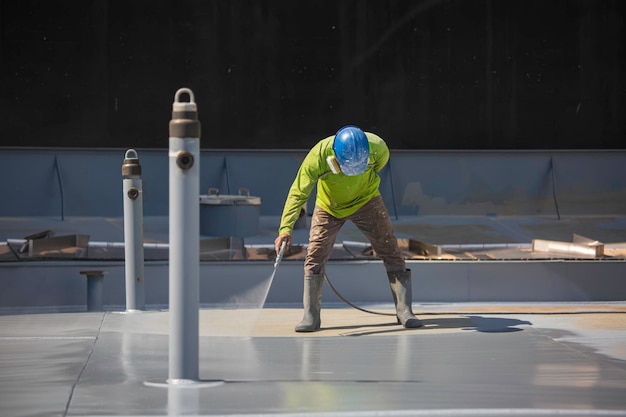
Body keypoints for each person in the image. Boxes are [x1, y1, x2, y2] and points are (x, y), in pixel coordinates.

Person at [274, 125, 423, 332]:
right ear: (334, 158)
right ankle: (311, 316)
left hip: (367, 200)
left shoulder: (378, 147)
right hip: (329, 207)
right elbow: (298, 192)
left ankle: (404, 310)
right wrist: (285, 229)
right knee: (315, 255)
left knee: (390, 248)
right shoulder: (317, 157)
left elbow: (380, 165)